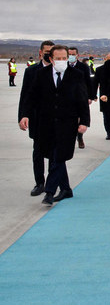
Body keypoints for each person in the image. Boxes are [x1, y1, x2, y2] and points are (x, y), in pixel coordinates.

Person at [20, 45, 90, 205]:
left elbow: (82, 99)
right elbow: (31, 97)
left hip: (68, 123)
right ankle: (66, 189)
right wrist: (25, 114)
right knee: (54, 155)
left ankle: (50, 192)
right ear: (51, 59)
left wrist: (84, 121)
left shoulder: (76, 75)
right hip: (46, 123)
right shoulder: (41, 74)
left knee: (58, 156)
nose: (62, 61)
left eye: (64, 58)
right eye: (58, 59)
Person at [18, 40, 54, 196]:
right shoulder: (31, 71)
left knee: (54, 152)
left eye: (51, 51)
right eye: (46, 51)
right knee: (38, 151)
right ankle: (40, 182)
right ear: (40, 52)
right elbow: (25, 95)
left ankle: (52, 184)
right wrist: (23, 115)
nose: (48, 54)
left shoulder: (58, 70)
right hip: (37, 118)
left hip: (54, 118)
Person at [68, 47, 95, 149]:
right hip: (68, 97)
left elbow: (89, 82)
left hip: (81, 96)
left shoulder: (83, 67)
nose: (71, 56)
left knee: (81, 119)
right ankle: (70, 138)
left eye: (73, 54)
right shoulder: (64, 66)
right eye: (69, 54)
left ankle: (80, 137)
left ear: (77, 55)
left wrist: (90, 96)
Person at [93, 52, 110, 140]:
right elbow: (95, 83)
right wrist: (93, 95)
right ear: (105, 59)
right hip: (104, 95)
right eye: (108, 59)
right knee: (106, 115)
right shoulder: (99, 70)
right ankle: (109, 132)